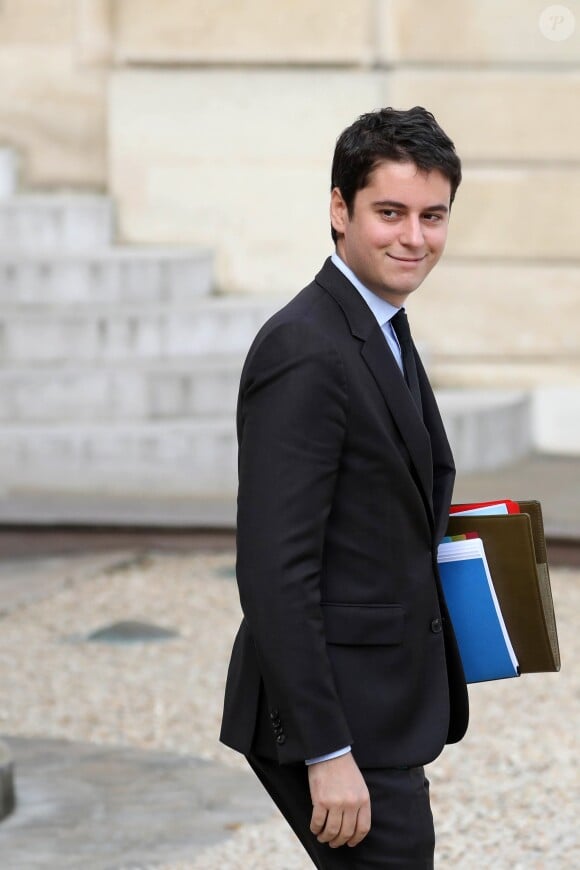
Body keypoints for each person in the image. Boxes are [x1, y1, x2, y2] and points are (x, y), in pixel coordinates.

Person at [220, 106, 469, 869]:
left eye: (433, 216)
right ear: (339, 209)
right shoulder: (306, 347)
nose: (414, 238)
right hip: (338, 722)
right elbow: (273, 568)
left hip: (386, 704)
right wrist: (327, 750)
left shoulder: (381, 320)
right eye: (389, 212)